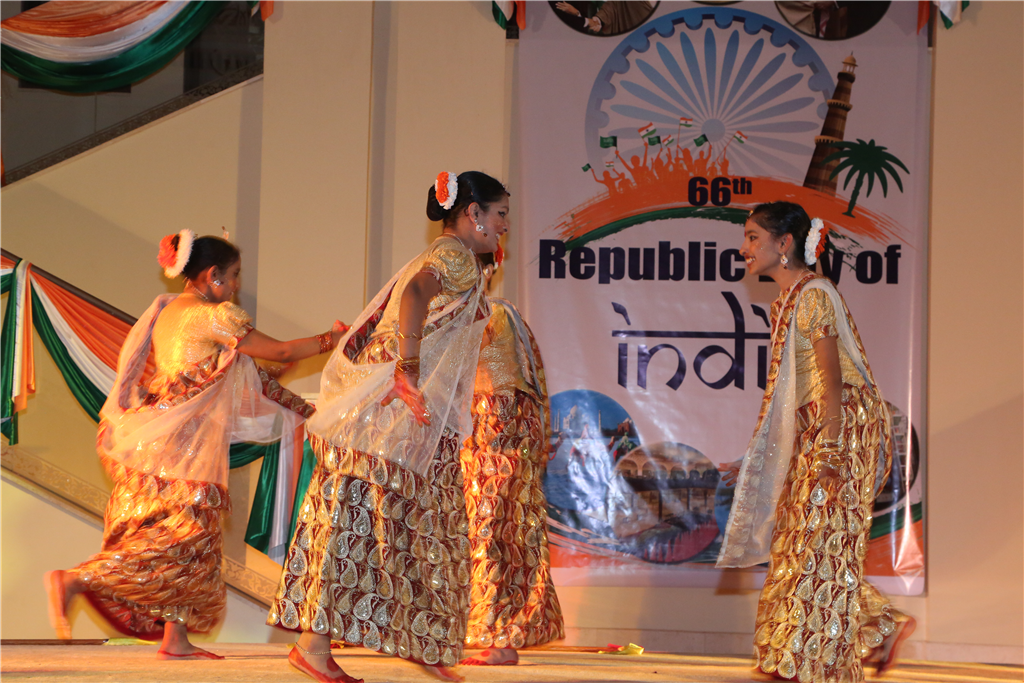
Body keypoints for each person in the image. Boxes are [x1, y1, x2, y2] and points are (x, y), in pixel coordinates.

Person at [44, 232, 346, 659]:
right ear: (212, 275)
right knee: (185, 536)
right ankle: (78, 580)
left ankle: (175, 637)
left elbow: (245, 370)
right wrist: (331, 338)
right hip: (182, 448)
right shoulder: (212, 316)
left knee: (195, 541)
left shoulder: (169, 310)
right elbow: (278, 351)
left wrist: (291, 382)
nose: (237, 285)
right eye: (234, 275)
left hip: (164, 439)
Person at [268, 171, 508, 683]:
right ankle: (319, 647)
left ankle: (415, 642)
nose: (505, 225)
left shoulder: (449, 256)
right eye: (500, 214)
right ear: (473, 214)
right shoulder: (453, 256)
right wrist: (408, 369)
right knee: (378, 518)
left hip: (402, 411)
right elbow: (415, 296)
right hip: (397, 407)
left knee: (403, 520)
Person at [717, 202, 915, 682]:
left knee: (819, 537)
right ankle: (876, 626)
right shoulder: (786, 301)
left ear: (784, 243)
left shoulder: (813, 295)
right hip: (818, 425)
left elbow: (831, 376)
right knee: (802, 537)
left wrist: (830, 446)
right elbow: (792, 394)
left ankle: (813, 660)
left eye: (752, 237)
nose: (744, 248)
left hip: (841, 424)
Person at [458, 252, 564, 667]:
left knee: (494, 532)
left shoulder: (492, 314)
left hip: (500, 432)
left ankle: (499, 636)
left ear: (485, 271)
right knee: (491, 532)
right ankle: (488, 631)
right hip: (487, 433)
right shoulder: (495, 314)